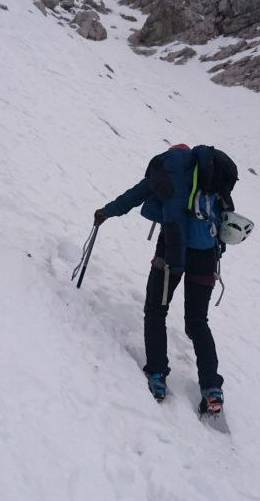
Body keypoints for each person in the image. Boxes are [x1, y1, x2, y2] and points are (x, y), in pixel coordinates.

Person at [94, 143, 238, 415]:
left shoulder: (168, 171)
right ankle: (212, 388)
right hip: (206, 254)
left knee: (155, 311)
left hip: (172, 251)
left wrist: (106, 211)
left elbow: (135, 196)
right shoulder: (211, 176)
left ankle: (157, 376)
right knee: (198, 323)